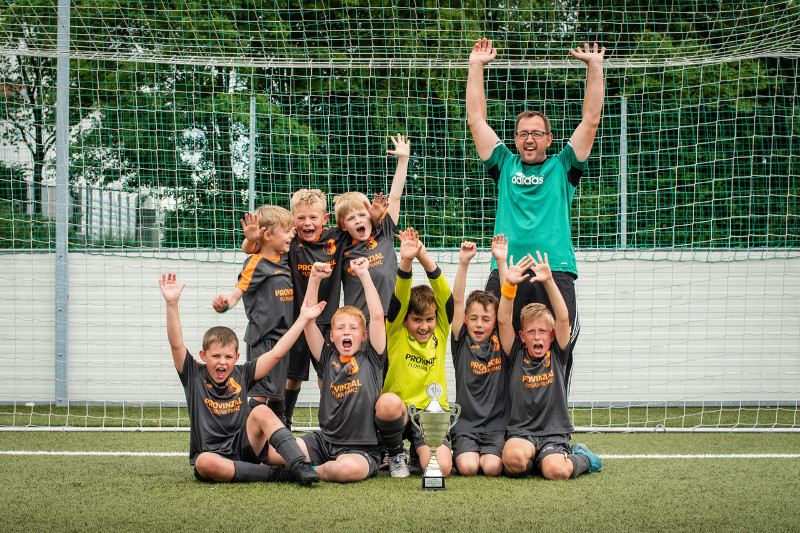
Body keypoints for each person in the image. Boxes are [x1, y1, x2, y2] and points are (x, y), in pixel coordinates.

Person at [466, 38, 607, 382]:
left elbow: (590, 121)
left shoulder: (563, 167)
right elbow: (476, 120)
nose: (529, 139)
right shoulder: (503, 163)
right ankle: (500, 428)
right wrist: (475, 66)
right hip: (506, 273)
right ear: (514, 139)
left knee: (558, 350)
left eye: (537, 133)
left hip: (554, 271)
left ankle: (554, 429)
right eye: (522, 134)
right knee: (495, 351)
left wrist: (595, 66)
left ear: (549, 138)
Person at [239, 190, 386, 430]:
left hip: (327, 322)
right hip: (295, 323)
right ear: (294, 223)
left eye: (313, 218)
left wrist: (377, 218)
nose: (308, 223)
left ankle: (332, 424)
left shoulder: (337, 237)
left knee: (327, 375)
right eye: (301, 218)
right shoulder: (290, 240)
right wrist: (250, 240)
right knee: (291, 378)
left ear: (325, 219)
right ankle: (282, 426)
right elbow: (254, 248)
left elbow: (363, 227)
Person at [159, 272, 324, 485]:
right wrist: (172, 304)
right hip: (215, 455)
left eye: (228, 357)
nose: (222, 362)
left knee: (262, 410)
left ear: (236, 357)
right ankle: (277, 474)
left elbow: (276, 353)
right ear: (203, 356)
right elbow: (176, 344)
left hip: (246, 446)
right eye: (216, 356)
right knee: (203, 463)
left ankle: (299, 465)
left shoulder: (242, 373)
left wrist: (303, 319)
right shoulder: (193, 373)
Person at [298, 258, 407, 482]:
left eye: (353, 328)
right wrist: (314, 279)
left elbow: (377, 317)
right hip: (324, 443)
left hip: (361, 450)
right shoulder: (326, 357)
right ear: (332, 336)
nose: (346, 332)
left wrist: (365, 275)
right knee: (277, 450)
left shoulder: (372, 357)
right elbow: (308, 320)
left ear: (364, 336)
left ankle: (303, 470)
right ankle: (299, 463)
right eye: (340, 328)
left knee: (345, 470)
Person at [497, 252, 602, 480]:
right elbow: (504, 320)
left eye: (542, 331)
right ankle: (536, 459)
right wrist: (508, 286)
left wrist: (549, 281)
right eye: (531, 332)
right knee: (514, 460)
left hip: (553, 435)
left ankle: (583, 457)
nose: (537, 337)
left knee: (556, 471)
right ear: (522, 336)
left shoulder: (557, 353)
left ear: (551, 336)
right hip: (522, 434)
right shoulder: (515, 354)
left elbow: (563, 319)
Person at [212, 205, 295, 424]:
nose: (292, 235)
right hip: (264, 340)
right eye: (287, 231)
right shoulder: (256, 263)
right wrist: (224, 305)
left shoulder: (283, 258)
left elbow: (249, 246)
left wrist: (249, 242)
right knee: (259, 396)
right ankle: (247, 442)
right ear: (267, 235)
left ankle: (279, 443)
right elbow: (237, 293)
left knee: (277, 394)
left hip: (282, 341)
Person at [382, 228, 454, 479]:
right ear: (404, 320)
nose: (424, 326)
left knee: (441, 470)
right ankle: (394, 454)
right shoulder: (396, 331)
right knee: (387, 403)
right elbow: (400, 296)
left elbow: (444, 295)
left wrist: (424, 256)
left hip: (430, 415)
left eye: (429, 319)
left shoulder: (441, 331)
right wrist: (406, 261)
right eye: (416, 320)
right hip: (400, 413)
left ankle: (418, 453)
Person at [449, 235, 510, 477]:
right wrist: (464, 263)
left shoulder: (503, 344)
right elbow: (456, 300)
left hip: (497, 426)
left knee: (492, 467)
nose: (479, 324)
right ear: (465, 320)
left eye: (486, 319)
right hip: (466, 426)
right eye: (473, 318)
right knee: (468, 467)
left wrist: (502, 263)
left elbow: (508, 303)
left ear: (495, 322)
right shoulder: (461, 340)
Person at [336, 133, 410, 319]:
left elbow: (394, 197)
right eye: (351, 219)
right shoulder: (342, 246)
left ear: (371, 216)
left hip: (394, 319)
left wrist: (403, 160)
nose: (359, 221)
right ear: (343, 226)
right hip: (362, 323)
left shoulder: (383, 232)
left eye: (362, 215)